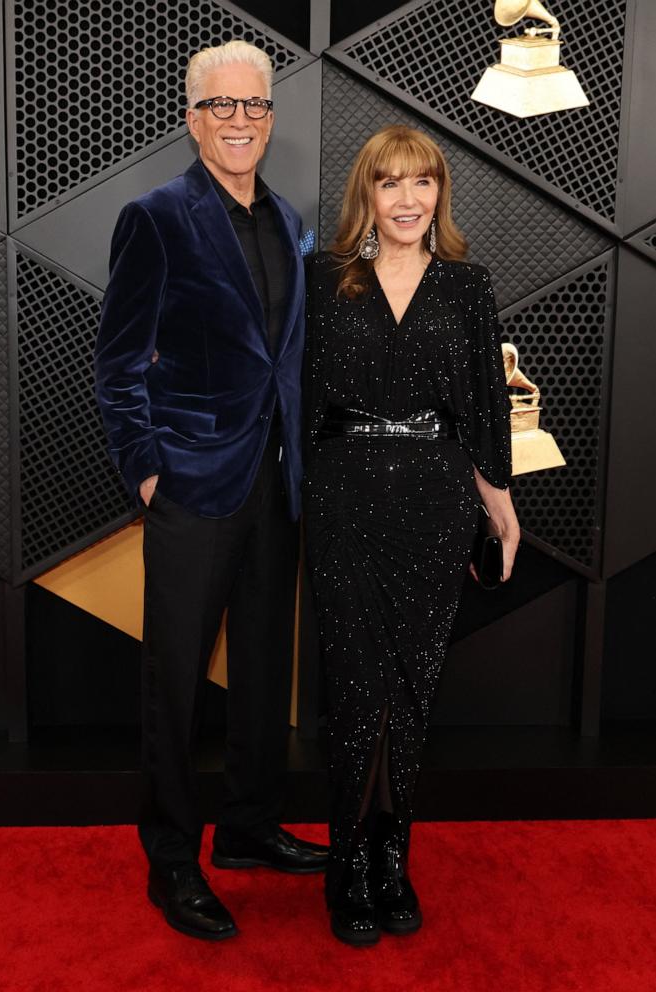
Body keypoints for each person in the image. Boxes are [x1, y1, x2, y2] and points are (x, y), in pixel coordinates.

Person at [94, 39, 327, 942]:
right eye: (220, 106)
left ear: (271, 118)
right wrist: (148, 468)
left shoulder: (285, 218)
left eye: (254, 107)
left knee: (267, 666)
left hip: (276, 482)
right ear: (193, 118)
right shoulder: (154, 218)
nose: (239, 121)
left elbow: (291, 357)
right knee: (176, 679)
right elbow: (117, 365)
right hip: (192, 480)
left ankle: (249, 827)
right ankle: (172, 859)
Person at [302, 125, 520, 946]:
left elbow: (485, 408)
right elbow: (295, 394)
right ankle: (348, 862)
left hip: (433, 500)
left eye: (420, 183)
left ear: (438, 195)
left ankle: (392, 856)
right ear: (368, 193)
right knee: (357, 687)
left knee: (409, 688)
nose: (405, 199)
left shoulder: (467, 285)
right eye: (388, 183)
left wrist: (497, 506)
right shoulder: (325, 279)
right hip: (342, 497)